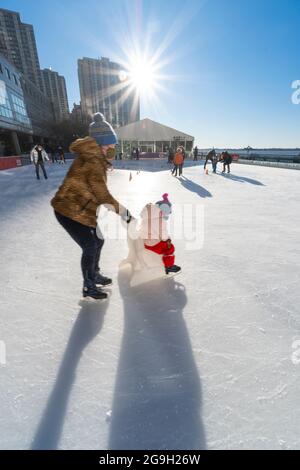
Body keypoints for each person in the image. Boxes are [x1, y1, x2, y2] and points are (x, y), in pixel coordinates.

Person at [51, 112, 133, 301]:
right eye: (111, 143)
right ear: (101, 143)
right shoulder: (92, 160)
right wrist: (124, 213)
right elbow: (102, 195)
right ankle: (88, 285)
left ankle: (94, 274)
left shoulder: (94, 157)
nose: (113, 147)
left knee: (99, 240)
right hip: (68, 210)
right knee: (89, 245)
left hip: (82, 209)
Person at [141, 202, 181, 276]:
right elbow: (163, 235)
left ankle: (164, 264)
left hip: (146, 244)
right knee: (170, 248)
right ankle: (169, 266)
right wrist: (168, 239)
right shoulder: (160, 220)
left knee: (163, 244)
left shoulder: (144, 221)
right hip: (155, 244)